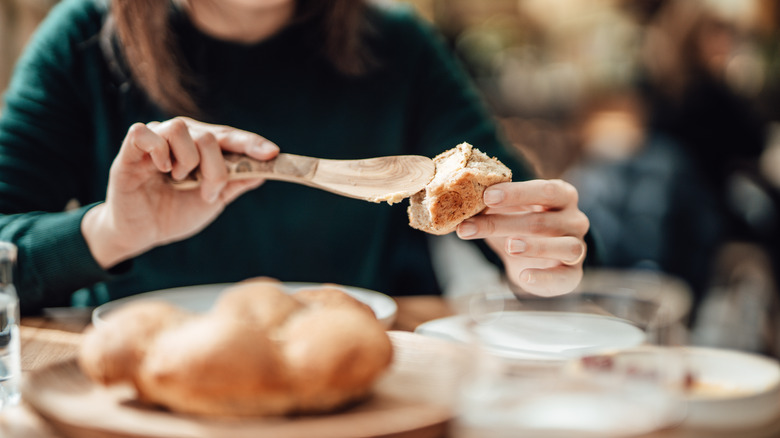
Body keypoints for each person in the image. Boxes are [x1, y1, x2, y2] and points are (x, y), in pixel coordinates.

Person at [0, 0, 589, 315]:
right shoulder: (82, 39)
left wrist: (536, 256)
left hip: (350, 387)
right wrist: (111, 230)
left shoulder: (399, 46)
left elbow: (532, 227)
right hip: (137, 389)